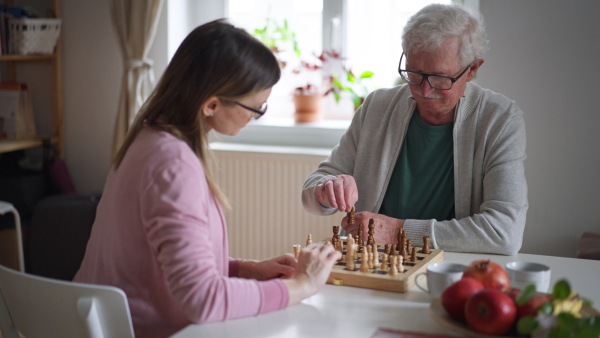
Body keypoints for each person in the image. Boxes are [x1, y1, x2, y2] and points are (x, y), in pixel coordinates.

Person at [74, 20, 341, 338]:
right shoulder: (172, 164)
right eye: (256, 108)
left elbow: (165, 260)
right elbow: (203, 300)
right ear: (212, 104)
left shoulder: (149, 135)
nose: (256, 117)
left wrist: (245, 269)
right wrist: (302, 285)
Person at [302, 3, 528, 256]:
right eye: (415, 73)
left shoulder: (500, 119)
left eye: (440, 78)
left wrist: (398, 230)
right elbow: (312, 191)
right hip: (369, 261)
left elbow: (504, 233)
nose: (425, 90)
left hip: (451, 268)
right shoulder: (377, 106)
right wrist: (326, 190)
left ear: (472, 70)